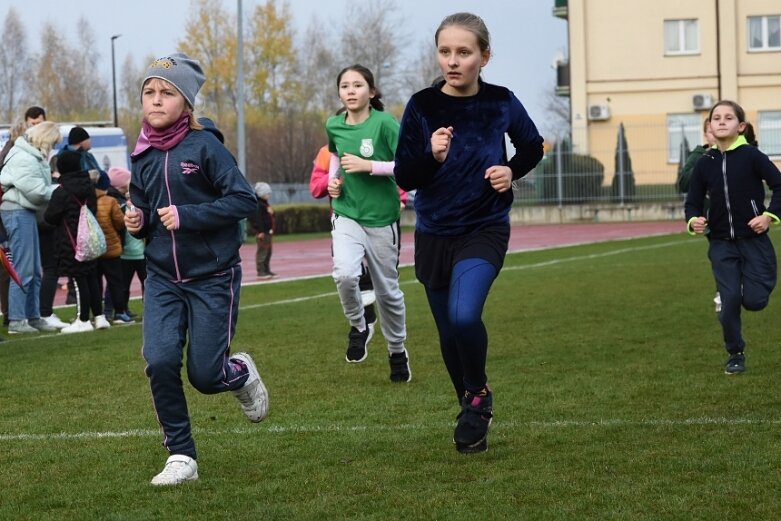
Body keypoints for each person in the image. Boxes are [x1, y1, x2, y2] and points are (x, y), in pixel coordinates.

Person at [394, 12, 544, 453]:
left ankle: (478, 396)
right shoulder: (422, 106)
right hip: (434, 232)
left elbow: (532, 145)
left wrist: (510, 170)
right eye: (445, 52)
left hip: (484, 227)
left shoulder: (501, 102)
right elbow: (405, 174)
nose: (453, 61)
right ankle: (469, 404)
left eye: (464, 52)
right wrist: (431, 155)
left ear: (484, 56)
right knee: (447, 333)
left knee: (464, 316)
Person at [125, 52, 268, 486]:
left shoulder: (206, 147)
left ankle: (239, 372)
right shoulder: (143, 153)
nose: (155, 99)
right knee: (160, 360)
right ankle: (181, 456)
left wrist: (189, 215)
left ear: (185, 102)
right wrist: (139, 220)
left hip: (212, 276)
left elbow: (245, 202)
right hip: (163, 277)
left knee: (206, 376)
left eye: (166, 92)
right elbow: (148, 211)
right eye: (149, 91)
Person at [325, 64, 410, 382]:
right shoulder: (334, 124)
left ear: (371, 92)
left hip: (382, 217)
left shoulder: (385, 123)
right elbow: (334, 155)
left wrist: (368, 166)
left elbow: (407, 166)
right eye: (344, 85)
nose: (350, 90)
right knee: (345, 274)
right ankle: (359, 325)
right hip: (346, 212)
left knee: (388, 292)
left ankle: (397, 351)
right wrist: (334, 181)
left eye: (357, 85)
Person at [685, 100, 781, 376]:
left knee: (754, 301)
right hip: (720, 244)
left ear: (741, 126)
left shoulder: (753, 156)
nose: (722, 121)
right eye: (716, 118)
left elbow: (779, 186)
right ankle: (735, 353)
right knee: (728, 302)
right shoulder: (705, 163)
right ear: (710, 127)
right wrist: (694, 220)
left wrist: (769, 216)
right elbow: (691, 202)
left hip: (754, 240)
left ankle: (744, 291)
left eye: (728, 117)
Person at [309, 144, 378, 347]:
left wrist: (400, 198)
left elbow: (393, 169)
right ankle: (362, 319)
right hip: (343, 220)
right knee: (346, 272)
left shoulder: (373, 141)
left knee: (386, 278)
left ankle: (396, 346)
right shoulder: (326, 152)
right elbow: (315, 188)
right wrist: (335, 176)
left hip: (377, 217)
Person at [0, 121, 62, 334]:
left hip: (24, 212)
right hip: (17, 212)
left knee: (34, 269)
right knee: (23, 268)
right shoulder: (25, 157)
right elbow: (35, 191)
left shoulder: (29, 155)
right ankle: (17, 320)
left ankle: (33, 316)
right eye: (52, 142)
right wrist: (58, 191)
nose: (52, 146)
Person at [44, 150, 109, 333]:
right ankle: (100, 316)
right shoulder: (88, 187)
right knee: (91, 277)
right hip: (89, 238)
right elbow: (93, 210)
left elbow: (50, 217)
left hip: (70, 241)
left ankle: (82, 319)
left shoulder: (62, 191)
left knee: (78, 279)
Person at [95, 169, 133, 325]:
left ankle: (99, 313)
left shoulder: (88, 201)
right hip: (111, 249)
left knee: (96, 283)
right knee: (116, 282)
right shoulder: (110, 201)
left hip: (95, 250)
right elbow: (120, 222)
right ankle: (119, 312)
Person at [109, 166, 145, 318]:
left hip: (142, 254)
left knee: (148, 285)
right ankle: (122, 309)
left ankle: (150, 310)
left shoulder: (140, 206)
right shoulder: (120, 206)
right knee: (124, 286)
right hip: (126, 255)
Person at [248, 182, 275, 279]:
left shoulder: (265, 204)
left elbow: (270, 216)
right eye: (267, 194)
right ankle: (261, 271)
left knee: (268, 252)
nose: (269, 196)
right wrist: (259, 231)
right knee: (262, 252)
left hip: (268, 232)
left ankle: (267, 270)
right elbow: (256, 219)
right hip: (262, 233)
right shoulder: (258, 205)